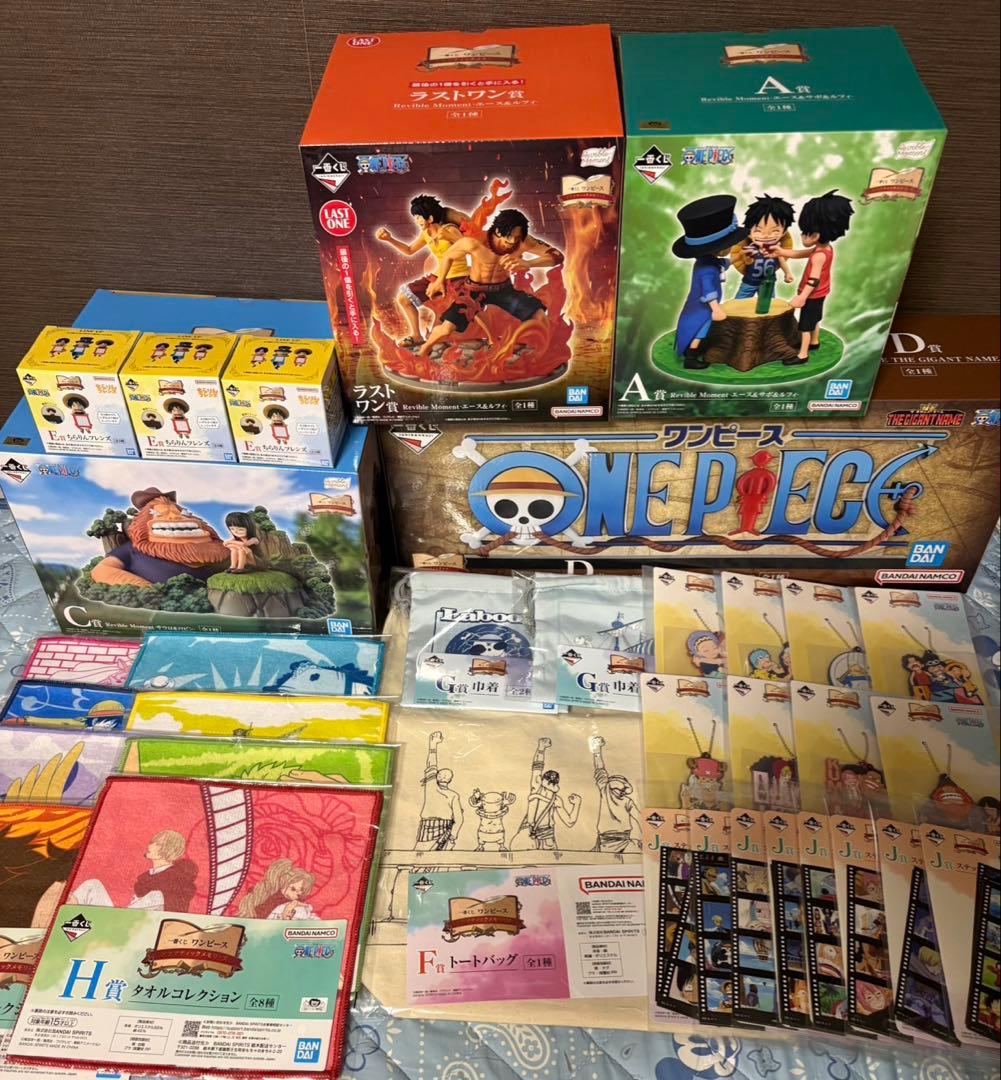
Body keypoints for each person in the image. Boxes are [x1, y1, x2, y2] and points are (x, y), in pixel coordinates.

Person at [421, 208, 563, 357]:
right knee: (447, 328)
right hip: (474, 290)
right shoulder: (475, 241)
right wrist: (440, 280)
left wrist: (529, 263)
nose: (513, 242)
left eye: (517, 237)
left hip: (503, 289)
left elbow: (557, 255)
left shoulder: (523, 241)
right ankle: (425, 348)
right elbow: (448, 256)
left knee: (539, 316)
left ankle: (544, 354)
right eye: (509, 237)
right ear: (497, 231)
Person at [376, 194, 470, 348]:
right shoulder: (426, 233)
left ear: (430, 218)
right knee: (403, 298)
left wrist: (452, 240)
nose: (416, 221)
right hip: (438, 276)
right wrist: (389, 239)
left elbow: (470, 246)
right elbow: (409, 250)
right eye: (415, 217)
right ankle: (416, 336)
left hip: (458, 277)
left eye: (419, 217)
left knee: (442, 323)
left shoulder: (450, 230)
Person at [671, 194, 749, 370]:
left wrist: (739, 256)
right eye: (729, 245)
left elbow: (723, 264)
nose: (731, 248)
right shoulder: (706, 269)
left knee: (705, 329)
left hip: (705, 307)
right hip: (702, 308)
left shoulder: (709, 261)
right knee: (701, 330)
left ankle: (698, 349)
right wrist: (716, 309)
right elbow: (708, 292)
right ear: (719, 248)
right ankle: (691, 357)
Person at [785, 190, 854, 364]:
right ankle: (814, 342)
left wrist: (802, 297)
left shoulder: (818, 255)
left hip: (812, 295)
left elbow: (813, 280)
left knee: (805, 326)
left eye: (805, 233)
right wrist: (780, 251)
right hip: (821, 293)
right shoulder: (825, 249)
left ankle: (802, 354)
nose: (802, 236)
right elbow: (800, 254)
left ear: (815, 235)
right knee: (815, 319)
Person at [70, 829, 197, 911]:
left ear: (167, 850)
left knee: (91, 887)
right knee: (92, 885)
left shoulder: (171, 882)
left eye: (157, 844)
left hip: (135, 928)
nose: (151, 845)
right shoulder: (149, 877)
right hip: (126, 919)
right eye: (153, 842)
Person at [511, 737, 581, 851]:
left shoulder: (538, 788)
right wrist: (577, 804)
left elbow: (537, 767)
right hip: (541, 835)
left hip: (537, 834)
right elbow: (570, 822)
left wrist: (541, 748)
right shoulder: (554, 798)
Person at [731, 194, 795, 299]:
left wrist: (787, 273)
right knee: (739, 302)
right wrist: (747, 259)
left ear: (783, 233)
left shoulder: (776, 250)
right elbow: (745, 262)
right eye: (758, 231)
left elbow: (782, 261)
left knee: (767, 305)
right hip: (749, 282)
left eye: (775, 231)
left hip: (768, 283)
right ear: (749, 233)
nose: (766, 235)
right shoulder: (750, 248)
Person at [590, 735, 640, 852]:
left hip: (617, 840)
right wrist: (597, 750)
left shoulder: (609, 792)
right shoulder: (607, 791)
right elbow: (600, 769)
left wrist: (597, 750)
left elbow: (639, 817)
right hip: (611, 840)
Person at [415, 731, 463, 851]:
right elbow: (459, 819)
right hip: (438, 827)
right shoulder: (451, 794)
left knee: (419, 856)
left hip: (432, 826)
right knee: (426, 857)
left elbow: (431, 765)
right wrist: (453, 836)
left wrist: (433, 745)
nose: (443, 776)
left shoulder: (432, 786)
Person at [237, 859, 317, 920]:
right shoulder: (272, 899)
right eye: (293, 889)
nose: (295, 895)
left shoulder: (296, 904)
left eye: (298, 894)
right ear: (283, 882)